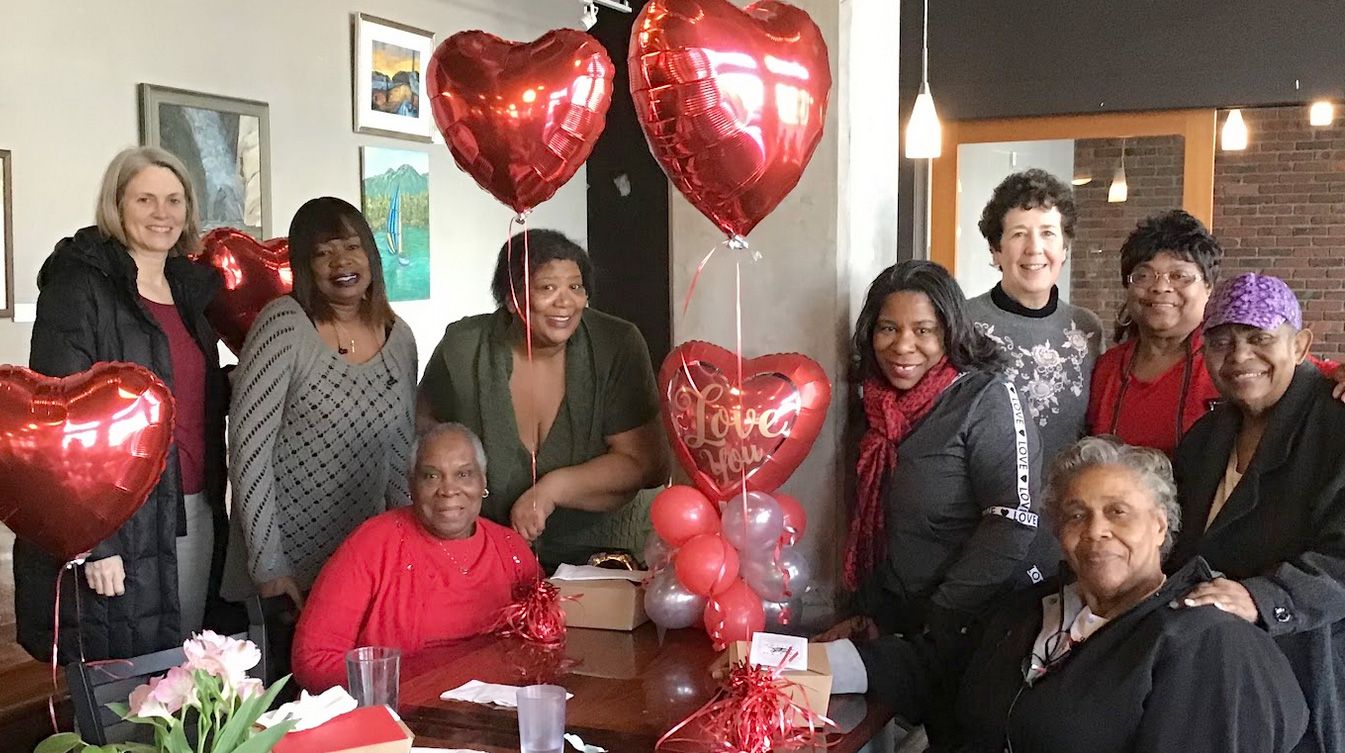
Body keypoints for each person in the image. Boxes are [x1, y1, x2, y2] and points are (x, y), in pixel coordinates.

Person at [822, 436, 1308, 752]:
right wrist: (788, 660)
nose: (1096, 530)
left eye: (1118, 512)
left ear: (1161, 526)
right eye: (1076, 515)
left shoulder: (1202, 640)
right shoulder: (1030, 609)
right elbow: (936, 666)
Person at [14, 146, 230, 661]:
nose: (163, 213)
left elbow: (190, 392)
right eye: (146, 199)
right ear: (116, 206)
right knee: (127, 691)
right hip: (118, 522)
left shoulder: (186, 291)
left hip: (192, 506)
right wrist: (94, 541)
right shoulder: (79, 289)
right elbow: (57, 419)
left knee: (184, 672)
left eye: (175, 200)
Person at [818, 261, 1054, 655]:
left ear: (951, 333)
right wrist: (874, 615)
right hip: (903, 622)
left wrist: (941, 616)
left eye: (924, 330)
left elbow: (1012, 521)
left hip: (983, 626)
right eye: (888, 328)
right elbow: (884, 526)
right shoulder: (876, 410)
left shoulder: (986, 399)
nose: (902, 345)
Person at [417, 229, 669, 568]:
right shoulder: (464, 347)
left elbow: (646, 463)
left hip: (606, 557)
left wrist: (551, 491)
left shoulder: (617, 343)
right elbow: (426, 436)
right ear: (512, 298)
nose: (565, 301)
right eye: (547, 288)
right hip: (492, 554)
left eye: (576, 287)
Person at [1170, 273, 1345, 753]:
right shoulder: (1206, 436)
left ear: (1300, 343)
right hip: (1217, 668)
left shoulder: (1336, 424)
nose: (1239, 357)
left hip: (1307, 666)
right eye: (1221, 342)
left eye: (1259, 338)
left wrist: (1263, 598)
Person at [222, 197, 417, 610]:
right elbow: (248, 450)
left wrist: (411, 548)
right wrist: (268, 566)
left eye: (351, 246)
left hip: (364, 562)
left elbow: (401, 454)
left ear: (371, 253)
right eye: (323, 254)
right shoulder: (285, 325)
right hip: (285, 569)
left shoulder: (400, 338)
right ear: (305, 267)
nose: (340, 263)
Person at [291, 423, 540, 692]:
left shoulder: (511, 550)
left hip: (497, 714)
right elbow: (312, 659)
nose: (448, 490)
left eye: (463, 474)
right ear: (411, 484)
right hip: (399, 718)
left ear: (483, 481)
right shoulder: (371, 544)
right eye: (431, 476)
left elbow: (544, 642)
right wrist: (410, 684)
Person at [1087, 211, 1343, 455]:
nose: (1160, 287)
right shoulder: (1107, 368)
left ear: (1208, 286)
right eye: (1143, 275)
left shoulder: (1228, 360)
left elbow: (1317, 372)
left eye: (1179, 275)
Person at [965, 169, 1105, 463]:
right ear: (995, 250)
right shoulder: (962, 322)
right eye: (1019, 234)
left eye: (1048, 233)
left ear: (1064, 248)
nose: (1034, 248)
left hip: (1068, 502)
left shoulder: (1087, 328)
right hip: (983, 504)